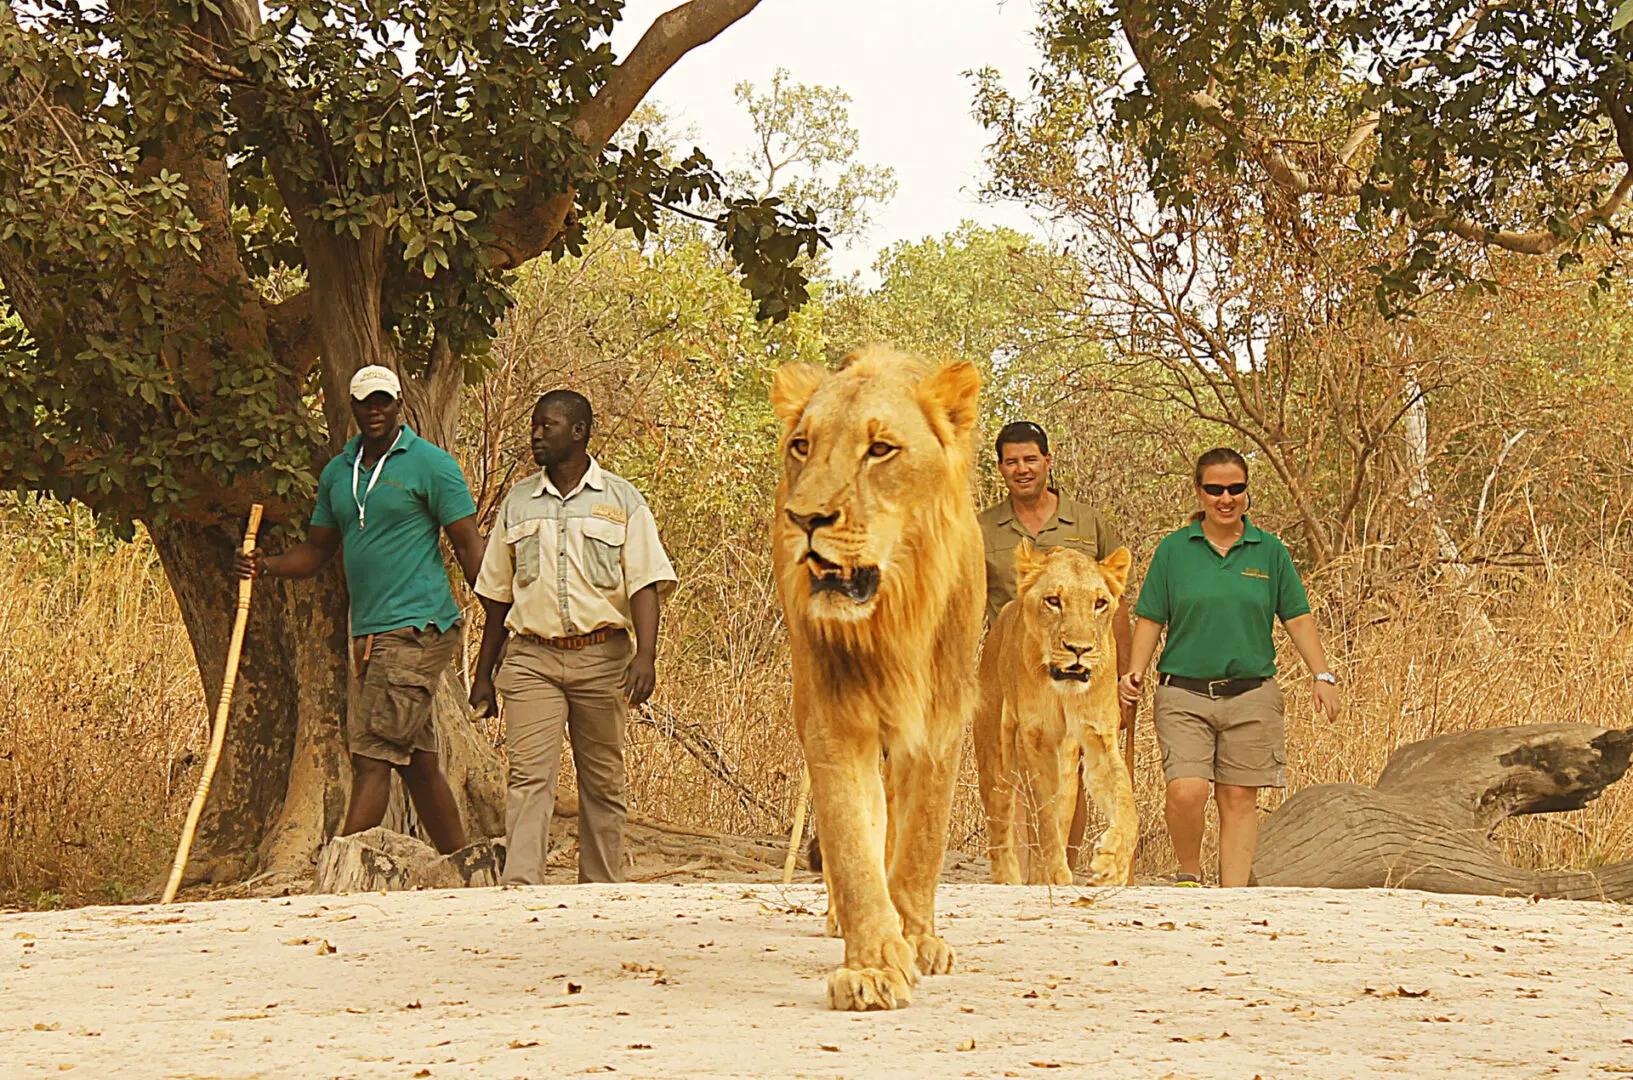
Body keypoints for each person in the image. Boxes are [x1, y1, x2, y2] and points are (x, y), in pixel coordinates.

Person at [236, 365, 487, 854]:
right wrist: (265, 566)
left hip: (417, 626)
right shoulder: (337, 472)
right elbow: (317, 551)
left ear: (398, 404)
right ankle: (462, 868)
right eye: (364, 403)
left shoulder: (432, 465)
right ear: (351, 408)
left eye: (383, 401)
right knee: (417, 762)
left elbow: (469, 547)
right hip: (369, 632)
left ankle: (341, 875)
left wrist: (504, 619)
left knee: (372, 756)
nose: (374, 411)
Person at [468, 390, 676, 885]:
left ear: (579, 432)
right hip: (531, 659)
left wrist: (645, 655)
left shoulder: (622, 500)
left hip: (602, 657)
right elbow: (497, 598)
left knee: (602, 781)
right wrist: (483, 675)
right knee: (528, 778)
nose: (537, 435)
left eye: (549, 425)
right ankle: (521, 890)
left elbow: (644, 582)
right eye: (534, 426)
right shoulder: (518, 503)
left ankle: (600, 893)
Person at [1117, 447, 1340, 887]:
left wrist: (1323, 675)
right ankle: (1188, 875)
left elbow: (1296, 615)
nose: (1226, 498)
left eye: (1235, 489)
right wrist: (1134, 672)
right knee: (1187, 789)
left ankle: (1233, 901)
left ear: (1246, 492)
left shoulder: (1269, 551)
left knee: (1239, 797)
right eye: (1215, 489)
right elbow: (1150, 618)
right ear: (1199, 492)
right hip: (1183, 692)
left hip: (1252, 694)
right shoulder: (1173, 551)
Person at [978, 420, 1135, 870]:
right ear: (1001, 468)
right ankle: (1024, 870)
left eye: (1030, 459)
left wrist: (1120, 673)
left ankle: (1059, 862)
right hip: (1014, 659)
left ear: (1048, 460)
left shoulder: (1086, 520)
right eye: (1012, 462)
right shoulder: (985, 528)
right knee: (1013, 760)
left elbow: (1113, 602)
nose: (1022, 469)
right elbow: (965, 598)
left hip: (1083, 660)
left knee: (1076, 762)